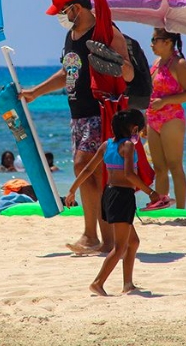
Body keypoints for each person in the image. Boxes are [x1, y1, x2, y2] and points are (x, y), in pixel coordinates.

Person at [20, 0, 133, 254]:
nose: (60, 16)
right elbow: (68, 72)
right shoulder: (71, 35)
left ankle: (93, 236)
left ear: (75, 7)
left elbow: (129, 74)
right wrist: (36, 92)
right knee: (92, 173)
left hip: (100, 111)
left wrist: (115, 63)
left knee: (87, 166)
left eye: (62, 10)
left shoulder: (106, 31)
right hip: (78, 116)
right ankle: (99, 238)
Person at [65, 109, 159, 296]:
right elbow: (129, 174)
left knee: (133, 242)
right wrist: (151, 192)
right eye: (140, 130)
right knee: (120, 247)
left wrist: (72, 190)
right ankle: (98, 283)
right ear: (133, 129)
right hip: (122, 196)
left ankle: (128, 284)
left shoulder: (106, 145)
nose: (140, 134)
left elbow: (88, 170)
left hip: (108, 195)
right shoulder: (128, 146)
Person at [145, 28, 186, 209]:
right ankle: (161, 206)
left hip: (171, 117)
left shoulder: (179, 64)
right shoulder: (156, 63)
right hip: (152, 118)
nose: (151, 44)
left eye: (154, 40)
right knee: (159, 168)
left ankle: (181, 208)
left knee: (175, 165)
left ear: (167, 42)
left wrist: (165, 101)